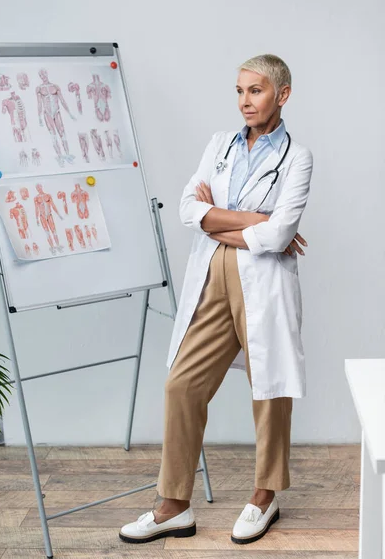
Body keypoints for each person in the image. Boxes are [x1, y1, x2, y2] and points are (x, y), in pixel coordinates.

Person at [119, 54, 313, 545]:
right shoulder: (218, 144)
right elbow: (190, 209)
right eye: (240, 91)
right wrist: (252, 219)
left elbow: (281, 233)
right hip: (212, 277)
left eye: (256, 91)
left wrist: (223, 217)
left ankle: (265, 496)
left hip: (263, 282)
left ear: (282, 95)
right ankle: (174, 505)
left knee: (269, 387)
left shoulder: (298, 156)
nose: (245, 101)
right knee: (181, 384)